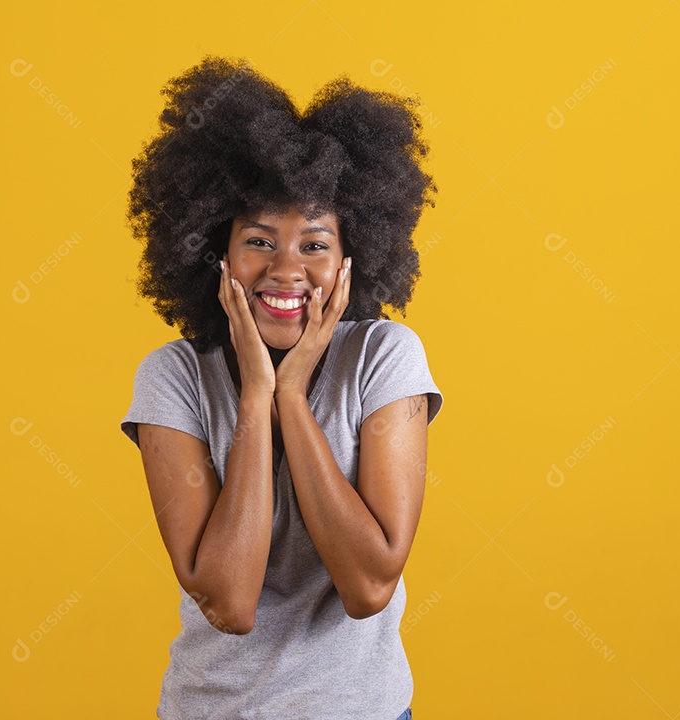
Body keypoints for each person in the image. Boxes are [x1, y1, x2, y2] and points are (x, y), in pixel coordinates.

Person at [119, 54, 443, 720]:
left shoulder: (385, 360)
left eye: (315, 244)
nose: (286, 269)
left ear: (353, 255)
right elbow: (231, 602)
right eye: (259, 241)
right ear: (216, 251)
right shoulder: (173, 377)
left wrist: (293, 400)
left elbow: (368, 584)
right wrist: (255, 399)